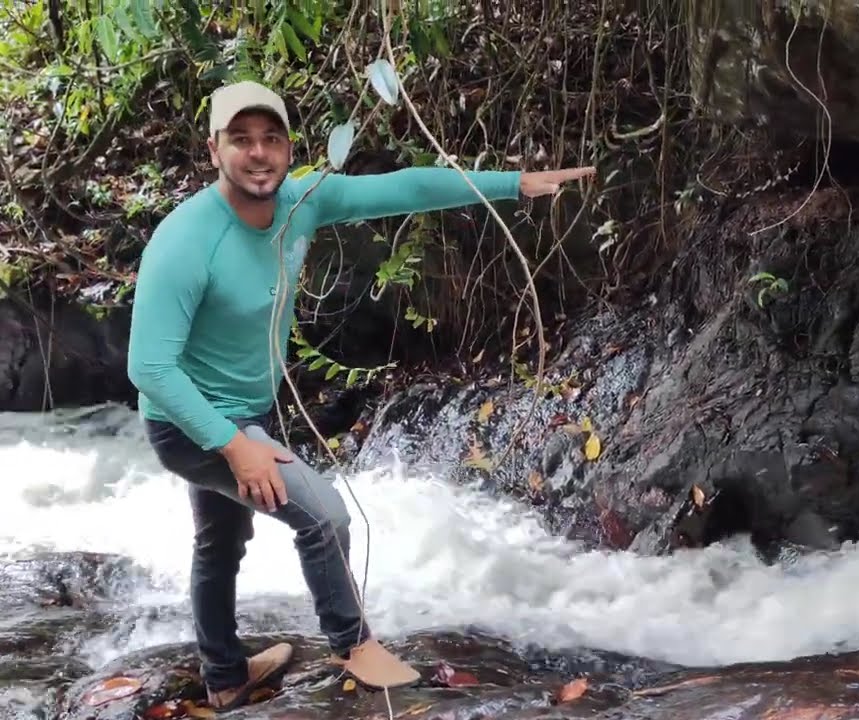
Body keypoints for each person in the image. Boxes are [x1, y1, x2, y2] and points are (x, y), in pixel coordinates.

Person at [126, 80, 595, 712]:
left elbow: (405, 187)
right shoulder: (185, 241)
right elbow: (149, 368)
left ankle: (226, 676)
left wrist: (514, 184)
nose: (258, 153)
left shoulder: (300, 203)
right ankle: (351, 642)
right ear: (214, 150)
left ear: (289, 148)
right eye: (241, 140)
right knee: (325, 517)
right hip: (191, 424)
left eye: (271, 139)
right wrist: (235, 446)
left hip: (249, 410)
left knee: (220, 543)